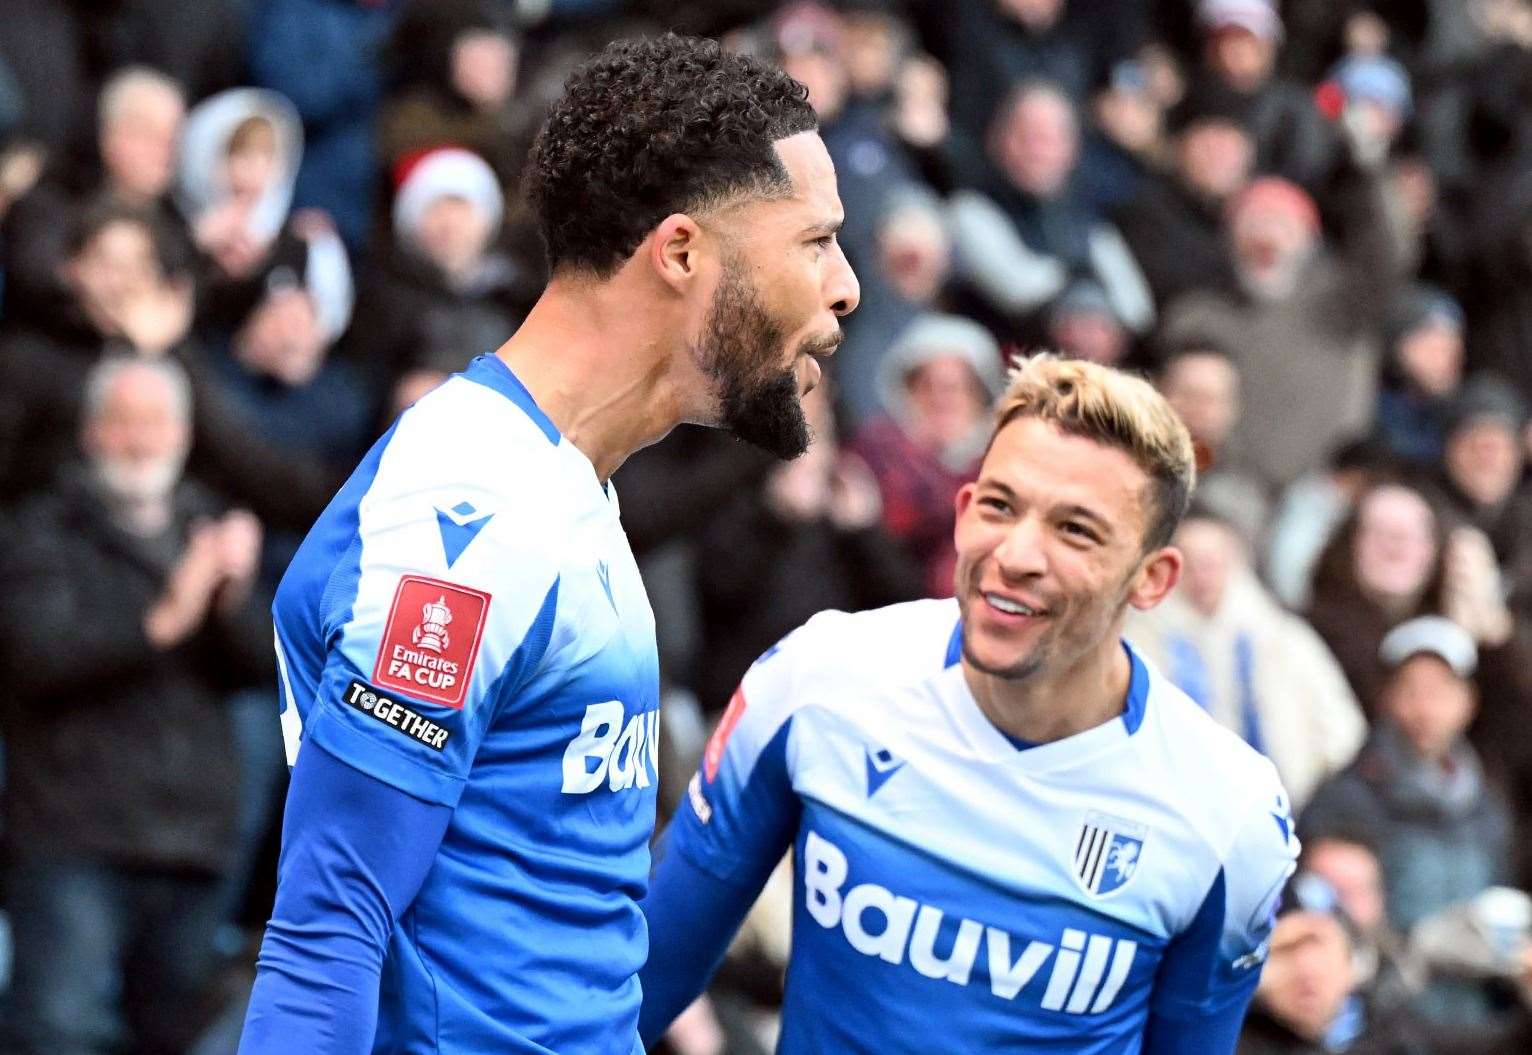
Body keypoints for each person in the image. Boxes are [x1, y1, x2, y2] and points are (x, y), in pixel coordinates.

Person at [239, 33, 858, 1055]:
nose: (845, 287)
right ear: (680, 252)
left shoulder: (568, 488)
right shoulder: (466, 508)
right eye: (814, 241)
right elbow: (325, 934)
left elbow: (571, 943)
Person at [639, 355, 1297, 1053]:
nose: (1016, 553)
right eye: (999, 505)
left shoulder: (1230, 812)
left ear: (1152, 578)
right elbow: (643, 977)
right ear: (962, 513)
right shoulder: (818, 680)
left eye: (1075, 529)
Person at [0, 355, 270, 1054]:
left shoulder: (210, 529)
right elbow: (39, 656)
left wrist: (234, 597)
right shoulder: (38, 530)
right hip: (71, 839)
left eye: (155, 422)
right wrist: (166, 616)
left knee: (172, 1037)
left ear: (183, 433)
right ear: (91, 432)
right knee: (55, 1030)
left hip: (193, 841)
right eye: (121, 422)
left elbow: (264, 667)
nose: (140, 440)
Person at [1301, 616, 1516, 1025]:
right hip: (1385, 1020)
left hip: (1479, 1021)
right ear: (1387, 697)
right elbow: (1321, 913)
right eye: (1411, 689)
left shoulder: (1486, 803)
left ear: (1468, 701)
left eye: (1441, 690)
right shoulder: (1345, 798)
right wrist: (1408, 948)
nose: (1425, 707)